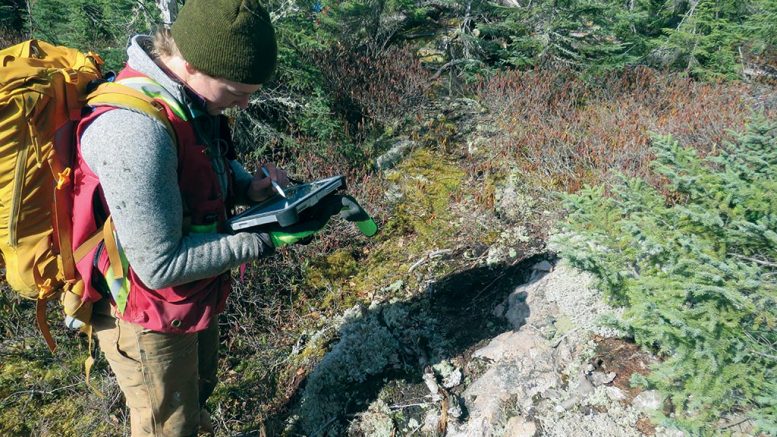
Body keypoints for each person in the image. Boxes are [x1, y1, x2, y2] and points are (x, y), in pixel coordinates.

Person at [71, 0, 315, 435]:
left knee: (195, 401)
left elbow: (201, 167)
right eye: (237, 92)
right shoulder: (134, 132)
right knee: (168, 427)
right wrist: (266, 238)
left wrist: (248, 189)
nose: (244, 104)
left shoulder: (190, 97)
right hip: (145, 315)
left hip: (190, 297)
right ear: (189, 63)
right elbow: (159, 266)